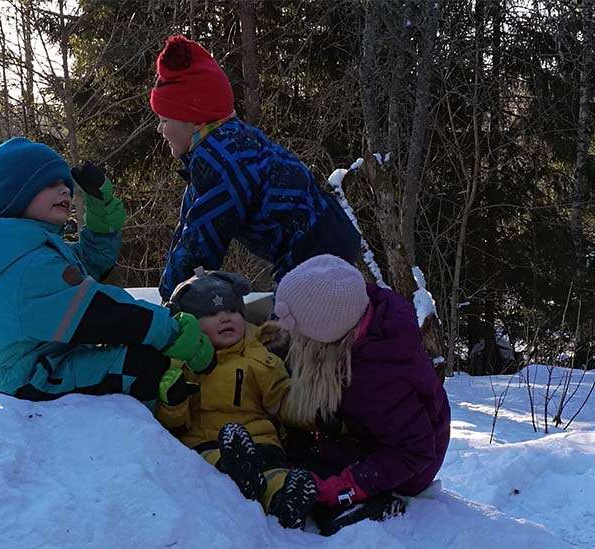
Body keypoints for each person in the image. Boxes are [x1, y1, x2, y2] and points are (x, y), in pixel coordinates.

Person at [0, 137, 213, 402]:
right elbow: (101, 313)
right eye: (51, 183)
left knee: (137, 350)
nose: (65, 190)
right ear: (18, 194)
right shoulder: (30, 268)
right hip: (22, 380)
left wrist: (102, 209)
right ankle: (160, 431)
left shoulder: (28, 249)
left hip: (42, 361)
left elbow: (91, 260)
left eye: (65, 183)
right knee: (140, 366)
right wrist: (172, 331)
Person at [149, 34, 362, 301]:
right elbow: (188, 229)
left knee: (288, 330)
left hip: (315, 252)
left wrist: (171, 304)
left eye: (165, 119)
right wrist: (168, 294)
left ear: (193, 121)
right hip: (321, 242)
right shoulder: (222, 145)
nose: (160, 129)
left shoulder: (222, 160)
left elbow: (201, 245)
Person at [272, 254, 450, 512]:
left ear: (325, 336)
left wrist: (346, 486)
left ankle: (360, 507)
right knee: (302, 444)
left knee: (306, 464)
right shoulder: (358, 309)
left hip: (407, 467)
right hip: (380, 431)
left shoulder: (378, 380)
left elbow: (416, 450)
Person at [155, 269, 317, 528]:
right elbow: (173, 423)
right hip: (208, 445)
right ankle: (240, 474)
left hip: (262, 442)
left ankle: (284, 498)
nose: (224, 318)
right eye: (210, 314)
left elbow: (283, 402)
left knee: (274, 475)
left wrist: (314, 416)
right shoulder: (183, 364)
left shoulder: (260, 358)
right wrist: (173, 401)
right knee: (216, 464)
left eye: (232, 311)